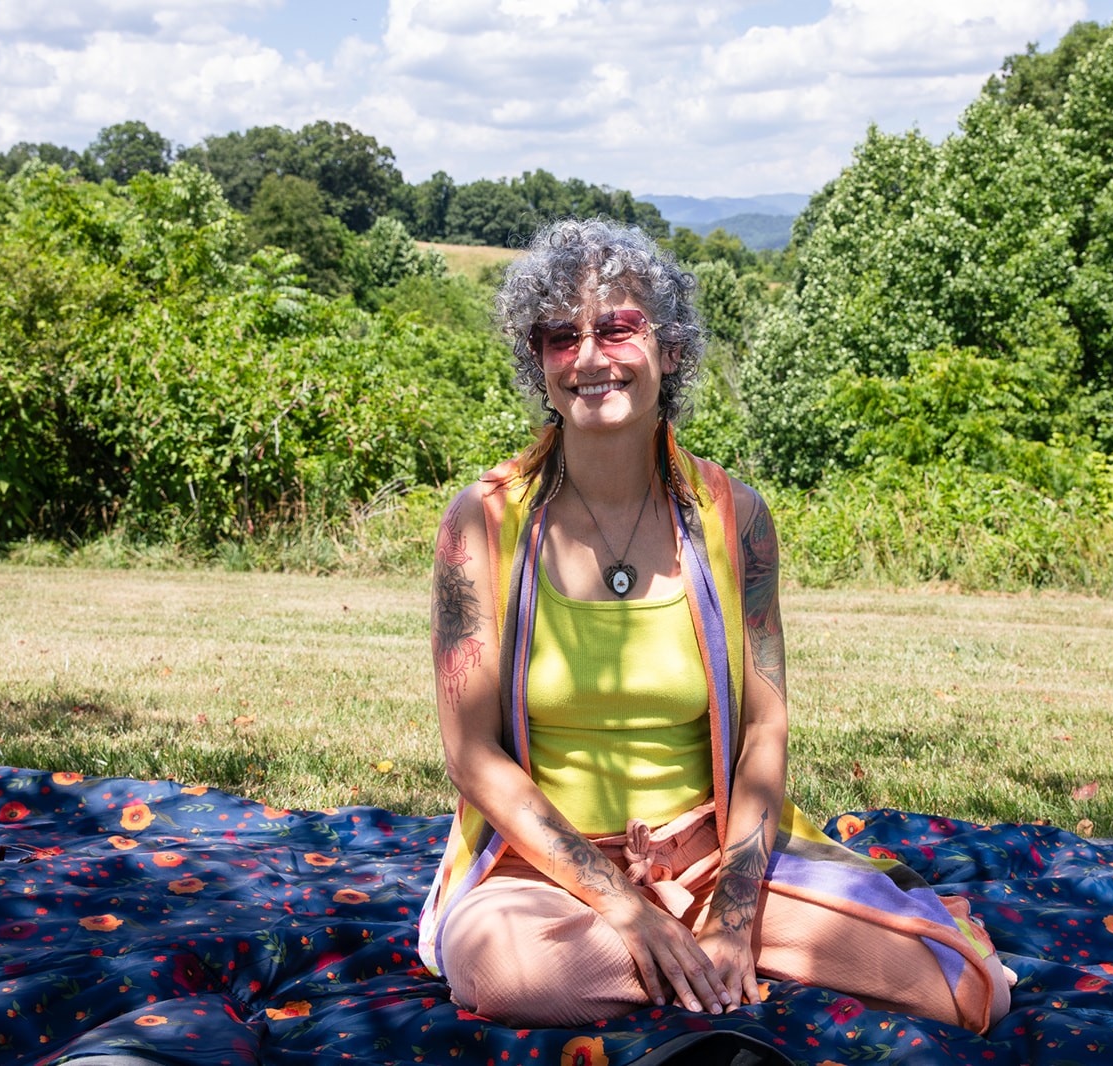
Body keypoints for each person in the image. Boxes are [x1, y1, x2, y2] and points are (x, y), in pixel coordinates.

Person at [418, 217, 1012, 1032]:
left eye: (618, 326)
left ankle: (707, 952)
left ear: (671, 348)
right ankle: (695, 966)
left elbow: (764, 725)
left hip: (712, 861)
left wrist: (734, 912)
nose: (590, 357)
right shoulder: (481, 524)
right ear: (540, 365)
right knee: (520, 974)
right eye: (561, 337)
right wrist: (623, 905)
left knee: (960, 987)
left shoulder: (738, 520)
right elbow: (471, 755)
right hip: (542, 874)